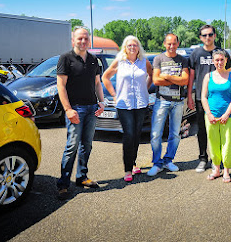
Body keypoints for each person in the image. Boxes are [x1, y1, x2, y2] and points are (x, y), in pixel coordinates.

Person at [56, 27, 106, 199]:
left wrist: (102, 102)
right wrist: (68, 109)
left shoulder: (94, 59)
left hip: (92, 108)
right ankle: (63, 184)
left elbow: (98, 83)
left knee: (87, 144)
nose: (83, 41)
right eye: (80, 39)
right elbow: (61, 86)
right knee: (72, 146)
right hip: (75, 109)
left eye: (86, 38)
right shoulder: (66, 58)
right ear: (73, 40)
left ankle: (82, 177)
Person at [102, 35, 153, 182]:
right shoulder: (120, 62)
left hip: (141, 104)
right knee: (129, 134)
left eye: (135, 45)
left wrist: (146, 88)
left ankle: (134, 162)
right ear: (125, 47)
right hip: (124, 105)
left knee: (137, 135)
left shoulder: (144, 62)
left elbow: (151, 75)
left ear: (139, 48)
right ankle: (127, 169)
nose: (132, 47)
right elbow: (105, 77)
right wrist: (114, 94)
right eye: (129, 45)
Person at [187, 25, 231, 173]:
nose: (208, 37)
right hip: (203, 99)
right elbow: (191, 76)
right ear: (201, 38)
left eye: (210, 34)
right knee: (202, 130)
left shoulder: (222, 52)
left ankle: (217, 161)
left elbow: (229, 74)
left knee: (219, 131)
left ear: (214, 35)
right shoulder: (196, 53)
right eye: (204, 35)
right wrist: (189, 95)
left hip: (220, 99)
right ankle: (203, 158)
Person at [147, 33, 189, 176]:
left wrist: (167, 76)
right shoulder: (159, 58)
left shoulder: (183, 60)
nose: (171, 46)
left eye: (174, 43)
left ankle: (168, 160)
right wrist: (176, 79)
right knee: (155, 134)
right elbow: (156, 81)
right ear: (164, 43)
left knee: (175, 134)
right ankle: (157, 163)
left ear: (178, 44)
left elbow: (185, 81)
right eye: (169, 43)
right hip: (162, 101)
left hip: (178, 102)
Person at [201, 49, 231, 182]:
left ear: (226, 60)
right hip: (211, 117)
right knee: (213, 142)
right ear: (213, 61)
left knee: (228, 143)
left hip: (228, 116)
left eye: (222, 59)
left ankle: (227, 170)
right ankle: (216, 169)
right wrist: (209, 114)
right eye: (216, 60)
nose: (219, 62)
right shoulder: (208, 76)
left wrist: (227, 114)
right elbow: (204, 97)